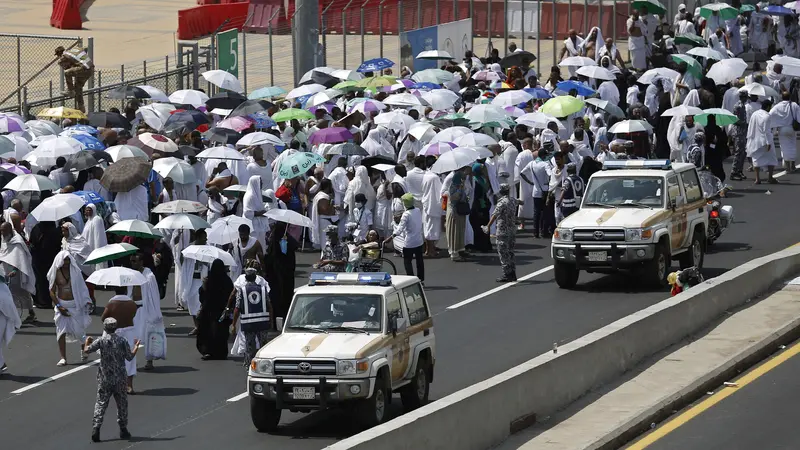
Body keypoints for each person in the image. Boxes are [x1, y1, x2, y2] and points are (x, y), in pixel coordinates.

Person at [83, 318, 139, 443]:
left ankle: (96, 428)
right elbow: (129, 357)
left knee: (101, 403)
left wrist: (87, 342)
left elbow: (86, 350)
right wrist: (136, 347)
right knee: (122, 403)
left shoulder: (101, 341)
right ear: (115, 327)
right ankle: (123, 429)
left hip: (105, 378)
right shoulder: (122, 340)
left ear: (105, 328)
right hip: (119, 378)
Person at [49, 250, 92, 366]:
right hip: (61, 305)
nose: (66, 262)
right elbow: (52, 291)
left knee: (79, 331)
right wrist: (58, 306)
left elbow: (82, 288)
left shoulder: (75, 272)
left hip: (75, 304)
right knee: (60, 332)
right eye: (64, 260)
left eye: (68, 260)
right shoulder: (56, 272)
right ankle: (63, 357)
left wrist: (87, 301)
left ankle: (84, 348)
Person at [128, 252, 164, 370]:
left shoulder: (149, 276)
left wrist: (155, 312)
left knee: (148, 334)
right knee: (131, 335)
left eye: (135, 261)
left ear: (141, 262)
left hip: (145, 309)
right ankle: (130, 360)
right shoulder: (131, 275)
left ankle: (149, 361)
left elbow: (154, 295)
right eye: (131, 261)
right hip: (133, 309)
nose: (133, 263)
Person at [231, 267, 273, 367]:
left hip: (248, 322)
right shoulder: (263, 289)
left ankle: (249, 365)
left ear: (245, 278)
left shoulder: (242, 290)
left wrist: (233, 324)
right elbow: (269, 306)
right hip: (262, 322)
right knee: (263, 345)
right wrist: (270, 321)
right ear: (255, 278)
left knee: (249, 345)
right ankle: (264, 365)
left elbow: (237, 308)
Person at [101, 290, 139, 394]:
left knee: (110, 358)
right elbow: (133, 315)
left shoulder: (111, 304)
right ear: (126, 290)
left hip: (114, 332)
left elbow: (103, 318)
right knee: (130, 358)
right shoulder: (132, 304)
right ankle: (129, 385)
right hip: (129, 332)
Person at [196, 259, 233, 360]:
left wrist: (203, 287)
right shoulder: (227, 281)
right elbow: (231, 296)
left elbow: (202, 298)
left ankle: (208, 351)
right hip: (222, 312)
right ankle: (221, 353)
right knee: (221, 333)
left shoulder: (209, 280)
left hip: (209, 312)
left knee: (208, 332)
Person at [0, 223, 37, 324]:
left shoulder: (17, 241)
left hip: (17, 271)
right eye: (1, 230)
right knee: (7, 294)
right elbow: (3, 254)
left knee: (22, 293)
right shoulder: (3, 239)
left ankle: (31, 313)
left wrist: (15, 270)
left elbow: (20, 258)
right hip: (4, 270)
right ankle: (11, 316)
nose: (2, 233)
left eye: (4, 230)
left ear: (9, 230)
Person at [385, 193, 425, 282]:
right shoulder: (418, 210)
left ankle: (411, 280)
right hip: (419, 241)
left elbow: (399, 229)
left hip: (409, 242)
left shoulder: (406, 215)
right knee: (419, 262)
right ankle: (421, 279)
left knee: (407, 262)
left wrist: (391, 237)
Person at [264, 221, 298, 320]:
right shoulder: (279, 240)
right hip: (283, 275)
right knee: (284, 297)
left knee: (276, 298)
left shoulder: (275, 240)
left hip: (276, 276)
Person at [484, 184, 518, 282]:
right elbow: (520, 202)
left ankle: (507, 274)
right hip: (512, 230)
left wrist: (488, 226)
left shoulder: (501, 203)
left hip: (502, 231)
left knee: (503, 253)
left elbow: (494, 215)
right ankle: (513, 273)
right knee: (511, 252)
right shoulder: (512, 200)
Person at [179, 229, 209, 334]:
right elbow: (181, 262)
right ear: (198, 238)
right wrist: (182, 254)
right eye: (204, 238)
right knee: (192, 305)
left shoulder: (207, 249)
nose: (206, 240)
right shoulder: (189, 249)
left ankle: (203, 327)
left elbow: (210, 263)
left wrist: (202, 260)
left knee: (200, 305)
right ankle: (197, 326)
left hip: (202, 281)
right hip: (190, 281)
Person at [29, 220, 62, 308]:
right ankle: (49, 299)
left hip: (39, 258)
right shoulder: (55, 231)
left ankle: (42, 301)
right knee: (50, 279)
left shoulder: (37, 228)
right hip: (51, 259)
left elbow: (32, 241)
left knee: (40, 280)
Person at [747, 99, 778, 184]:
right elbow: (767, 131)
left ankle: (757, 179)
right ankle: (770, 177)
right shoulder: (767, 116)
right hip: (765, 141)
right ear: (768, 107)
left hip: (755, 140)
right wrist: (768, 142)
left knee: (756, 159)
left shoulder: (755, 114)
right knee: (772, 158)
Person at [55, 45, 94, 112]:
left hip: (84, 69)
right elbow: (85, 49)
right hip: (90, 68)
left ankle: (70, 91)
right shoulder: (75, 50)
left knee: (67, 73)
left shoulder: (64, 56)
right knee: (78, 87)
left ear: (59, 54)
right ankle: (81, 107)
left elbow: (66, 68)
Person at [769, 91, 800, 172]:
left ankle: (788, 167)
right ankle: (793, 165)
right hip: (792, 128)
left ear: (781, 97)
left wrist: (774, 126)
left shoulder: (777, 106)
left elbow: (770, 114)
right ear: (790, 97)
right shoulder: (794, 105)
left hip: (782, 129)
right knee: (792, 146)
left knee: (784, 147)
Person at [445, 171, 468, 262]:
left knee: (459, 231)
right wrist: (461, 191)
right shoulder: (454, 187)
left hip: (458, 212)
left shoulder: (459, 186)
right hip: (454, 212)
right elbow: (456, 198)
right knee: (454, 232)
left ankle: (460, 249)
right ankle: (454, 253)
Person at [421, 164, 443, 257]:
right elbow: (440, 192)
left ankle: (428, 249)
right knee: (431, 229)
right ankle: (431, 251)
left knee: (427, 227)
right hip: (433, 205)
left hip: (427, 204)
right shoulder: (434, 177)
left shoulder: (425, 175)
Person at [243, 175, 269, 251]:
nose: (261, 184)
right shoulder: (249, 196)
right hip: (253, 226)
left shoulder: (257, 195)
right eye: (260, 182)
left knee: (261, 246)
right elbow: (247, 213)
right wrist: (260, 213)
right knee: (254, 247)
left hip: (259, 226)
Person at [0, 277, 20, 373]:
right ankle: (1, 364)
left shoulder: (2, 288)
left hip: (2, 317)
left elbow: (6, 304)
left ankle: (1, 365)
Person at [730, 90, 749, 180]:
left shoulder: (743, 106)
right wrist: (743, 123)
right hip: (738, 132)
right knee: (738, 152)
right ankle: (734, 172)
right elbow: (734, 119)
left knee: (743, 153)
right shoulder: (737, 106)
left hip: (743, 132)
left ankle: (739, 171)